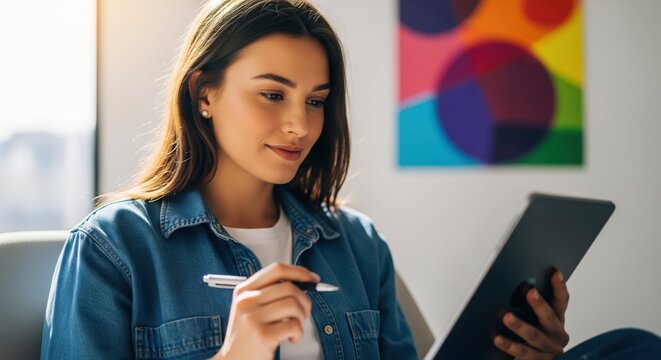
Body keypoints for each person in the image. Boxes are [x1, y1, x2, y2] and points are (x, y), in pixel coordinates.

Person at [40, 0, 572, 359]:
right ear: (204, 93)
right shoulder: (113, 248)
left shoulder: (358, 245)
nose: (301, 125)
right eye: (273, 94)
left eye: (316, 101)